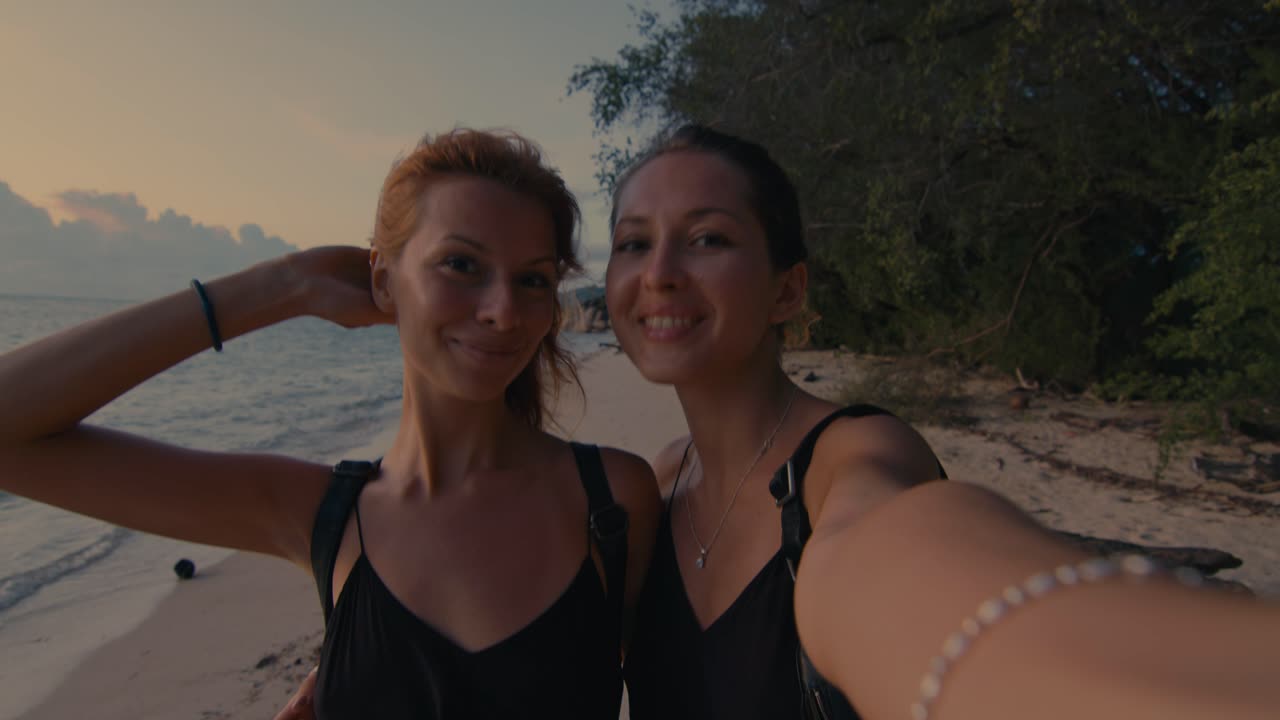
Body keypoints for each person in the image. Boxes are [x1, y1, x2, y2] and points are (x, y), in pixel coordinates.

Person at [278, 125, 1280, 720]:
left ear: (787, 289)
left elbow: (921, 571)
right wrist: (368, 677)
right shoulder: (646, 490)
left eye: (706, 238)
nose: (660, 269)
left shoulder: (853, 460)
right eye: (633, 241)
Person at [0, 128, 660, 720]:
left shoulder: (612, 501)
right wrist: (284, 285)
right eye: (461, 264)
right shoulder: (324, 514)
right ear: (383, 282)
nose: (502, 310)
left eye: (534, 280)